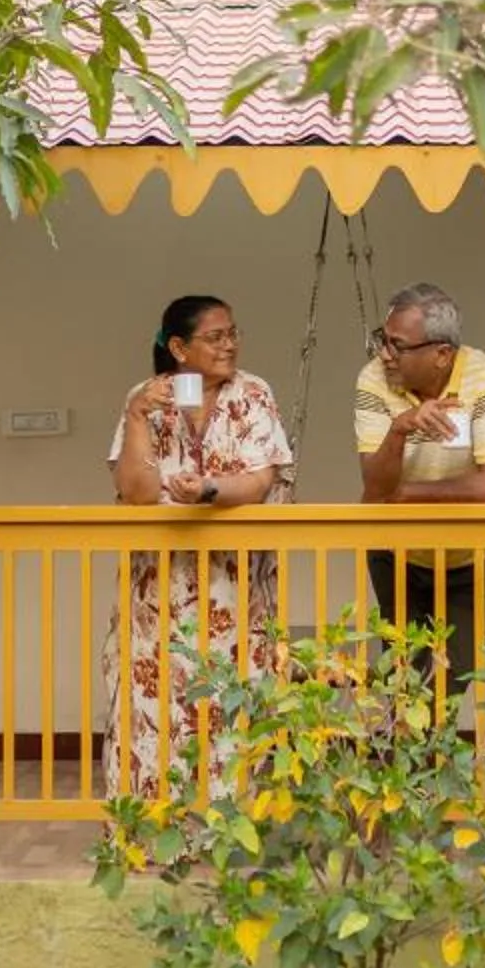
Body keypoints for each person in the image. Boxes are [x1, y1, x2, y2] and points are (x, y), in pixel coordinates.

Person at [104, 294, 292, 796]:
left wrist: (209, 490)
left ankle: (229, 831)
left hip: (234, 585)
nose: (229, 344)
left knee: (235, 705)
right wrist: (139, 416)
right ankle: (152, 831)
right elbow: (137, 493)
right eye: (216, 337)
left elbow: (258, 481)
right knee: (152, 705)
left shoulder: (253, 393)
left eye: (233, 333)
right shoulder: (144, 398)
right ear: (180, 347)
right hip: (159, 588)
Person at [354, 281, 485, 691]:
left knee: (446, 686)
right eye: (382, 340)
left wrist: (406, 495)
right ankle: (407, 754)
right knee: (405, 685)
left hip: (472, 561)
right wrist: (399, 430)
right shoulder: (374, 379)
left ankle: (419, 755)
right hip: (398, 557)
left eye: (397, 345)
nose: (384, 354)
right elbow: (374, 487)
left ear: (442, 354)